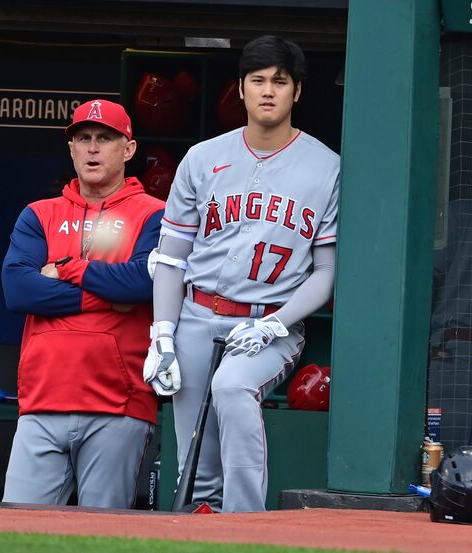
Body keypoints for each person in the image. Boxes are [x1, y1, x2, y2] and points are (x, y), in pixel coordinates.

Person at [143, 35, 340, 513]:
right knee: (194, 466)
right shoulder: (202, 157)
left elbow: (326, 270)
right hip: (197, 314)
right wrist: (163, 336)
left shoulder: (327, 166)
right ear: (242, 89)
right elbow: (171, 257)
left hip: (271, 321)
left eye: (280, 81)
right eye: (258, 80)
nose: (268, 90)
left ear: (298, 91)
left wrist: (276, 322)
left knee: (232, 387)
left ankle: (247, 524)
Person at [1, 99, 164, 508]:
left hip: (118, 403)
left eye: (105, 139)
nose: (93, 148)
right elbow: (18, 290)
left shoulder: (156, 215)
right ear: (71, 149)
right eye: (83, 138)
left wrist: (68, 268)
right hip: (42, 399)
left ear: (128, 149)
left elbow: (143, 283)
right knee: (13, 533)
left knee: (105, 537)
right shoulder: (39, 214)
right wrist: (106, 297)